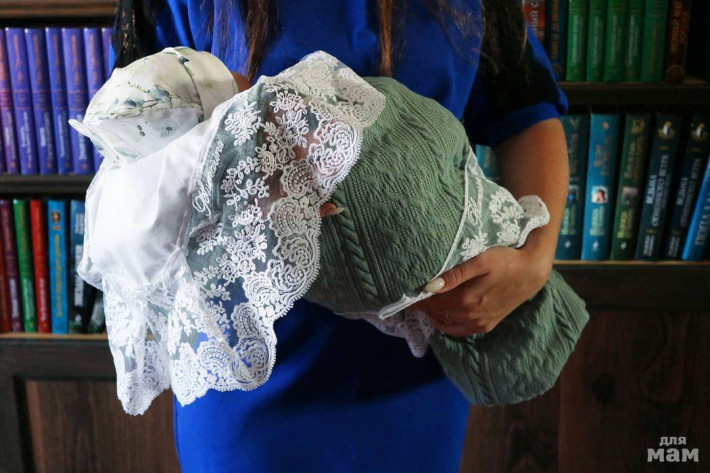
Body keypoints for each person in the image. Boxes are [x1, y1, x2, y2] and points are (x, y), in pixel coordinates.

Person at [109, 0, 570, 471]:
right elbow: (128, 146)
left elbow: (526, 114)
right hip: (254, 357)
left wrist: (534, 260)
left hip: (419, 350)